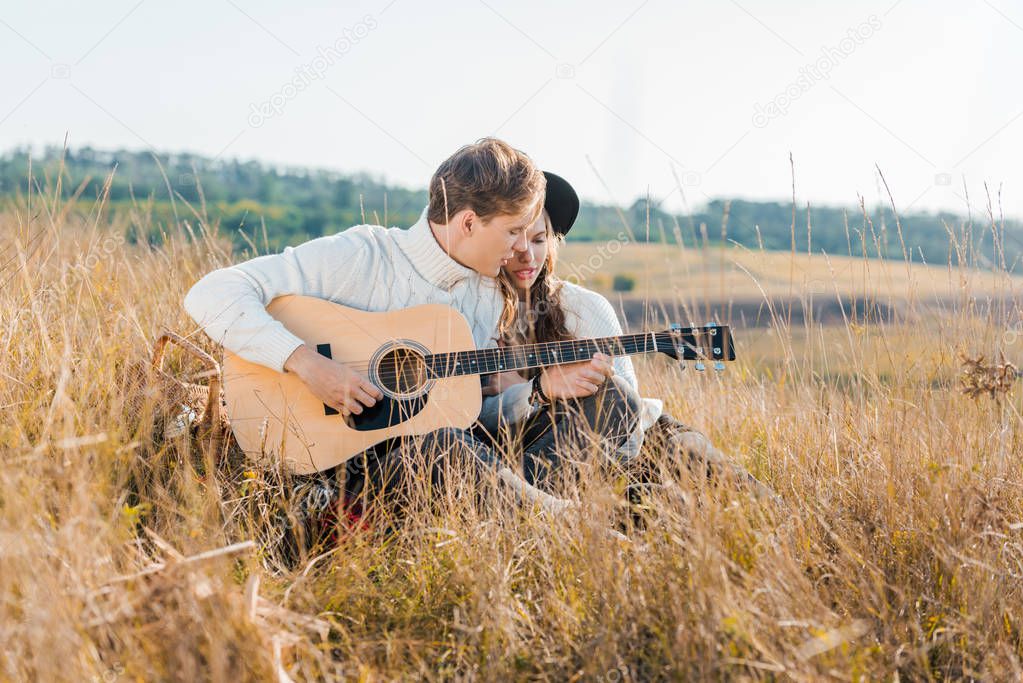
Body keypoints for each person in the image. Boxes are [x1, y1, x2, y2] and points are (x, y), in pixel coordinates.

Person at [182, 139, 637, 554]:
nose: (525, 249)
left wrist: (537, 392)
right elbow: (212, 292)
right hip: (346, 468)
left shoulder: (486, 294)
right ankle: (574, 530)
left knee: (612, 401)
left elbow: (463, 409)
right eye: (514, 231)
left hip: (454, 456)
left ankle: (518, 528)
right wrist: (305, 363)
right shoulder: (363, 256)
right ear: (468, 222)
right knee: (445, 448)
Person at [475, 171, 776, 503]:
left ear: (553, 241)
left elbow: (628, 417)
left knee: (751, 500)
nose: (528, 255)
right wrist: (529, 394)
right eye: (516, 239)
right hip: (547, 458)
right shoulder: (474, 312)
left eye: (538, 239)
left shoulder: (584, 307)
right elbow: (478, 422)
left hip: (643, 438)